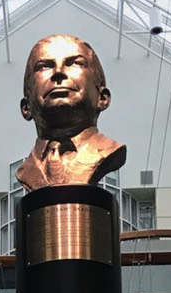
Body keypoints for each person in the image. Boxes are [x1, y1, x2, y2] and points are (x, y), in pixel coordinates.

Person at [16, 34, 126, 191]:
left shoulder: (108, 150)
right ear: (26, 107)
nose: (58, 72)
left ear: (102, 98)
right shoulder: (25, 171)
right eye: (44, 66)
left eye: (75, 63)